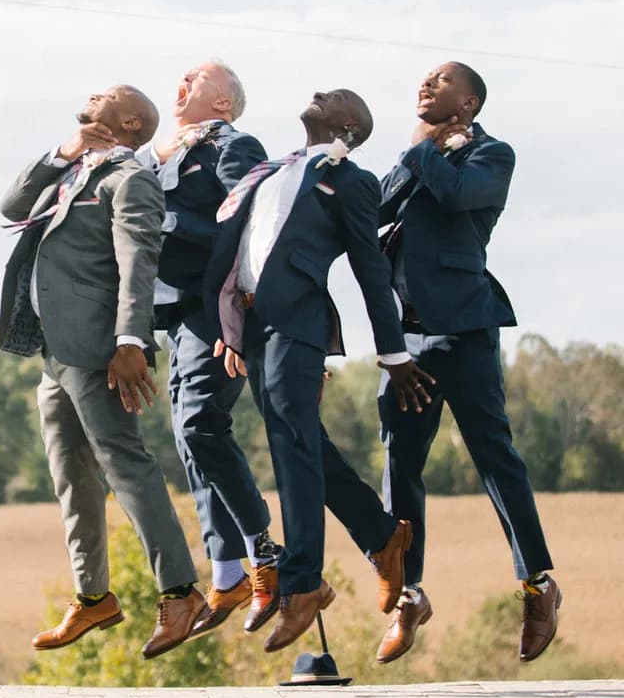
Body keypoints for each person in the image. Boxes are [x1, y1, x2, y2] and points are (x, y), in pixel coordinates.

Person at [204, 89, 432, 653]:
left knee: (291, 444)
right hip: (250, 325)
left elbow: (370, 269)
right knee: (304, 443)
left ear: (348, 124)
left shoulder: (350, 180)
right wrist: (227, 323)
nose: (315, 94)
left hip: (299, 322)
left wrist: (394, 352)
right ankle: (382, 536)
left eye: (331, 97)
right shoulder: (270, 170)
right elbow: (243, 248)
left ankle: (303, 585)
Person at [0, 85, 205, 660]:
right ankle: (93, 597)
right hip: (54, 354)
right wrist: (63, 153)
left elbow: (139, 260)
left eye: (107, 95)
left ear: (130, 120)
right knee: (72, 477)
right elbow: (12, 205)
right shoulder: (72, 170)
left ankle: (181, 592)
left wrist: (131, 339)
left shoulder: (128, 178)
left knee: (125, 467)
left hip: (100, 351)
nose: (92, 93)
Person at [375, 62, 560, 665]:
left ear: (471, 101)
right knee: (400, 465)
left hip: (467, 328)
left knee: (494, 458)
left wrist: (421, 147)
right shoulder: (415, 157)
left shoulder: (491, 155)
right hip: (409, 341)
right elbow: (378, 212)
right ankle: (410, 594)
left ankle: (538, 585)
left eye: (442, 79)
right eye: (423, 78)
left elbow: (457, 198)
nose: (425, 84)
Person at [137, 61, 282, 638]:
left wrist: (242, 313)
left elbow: (247, 221)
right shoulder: (156, 154)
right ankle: (226, 574)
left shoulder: (234, 144)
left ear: (222, 104)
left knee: (199, 424)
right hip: (172, 315)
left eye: (200, 77)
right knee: (188, 437)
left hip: (214, 307)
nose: (184, 78)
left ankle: (265, 554)